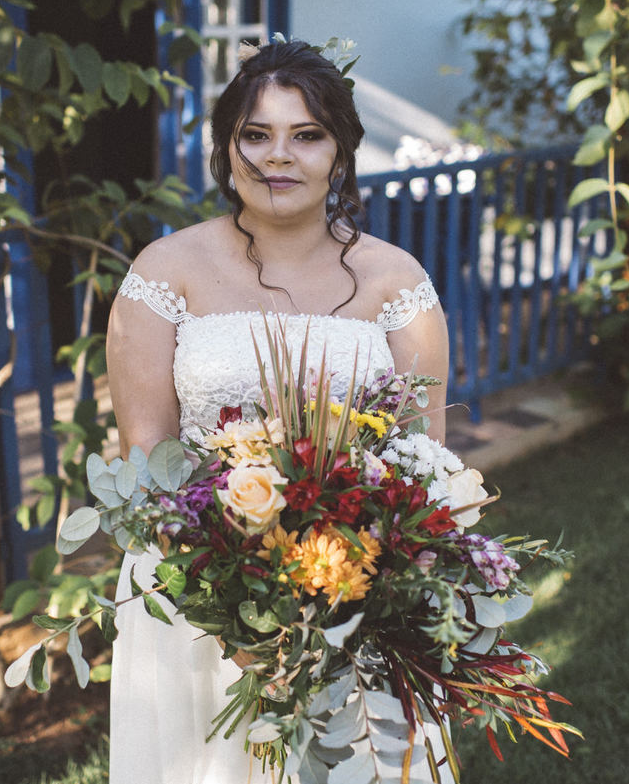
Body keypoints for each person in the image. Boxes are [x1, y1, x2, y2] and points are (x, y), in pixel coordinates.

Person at [105, 39, 451, 784]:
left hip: (360, 596)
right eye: (255, 134)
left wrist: (368, 588)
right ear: (227, 149)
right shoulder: (164, 273)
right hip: (197, 593)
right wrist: (232, 610)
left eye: (306, 135)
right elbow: (147, 458)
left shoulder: (398, 281)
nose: (277, 157)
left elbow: (425, 465)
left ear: (341, 151)